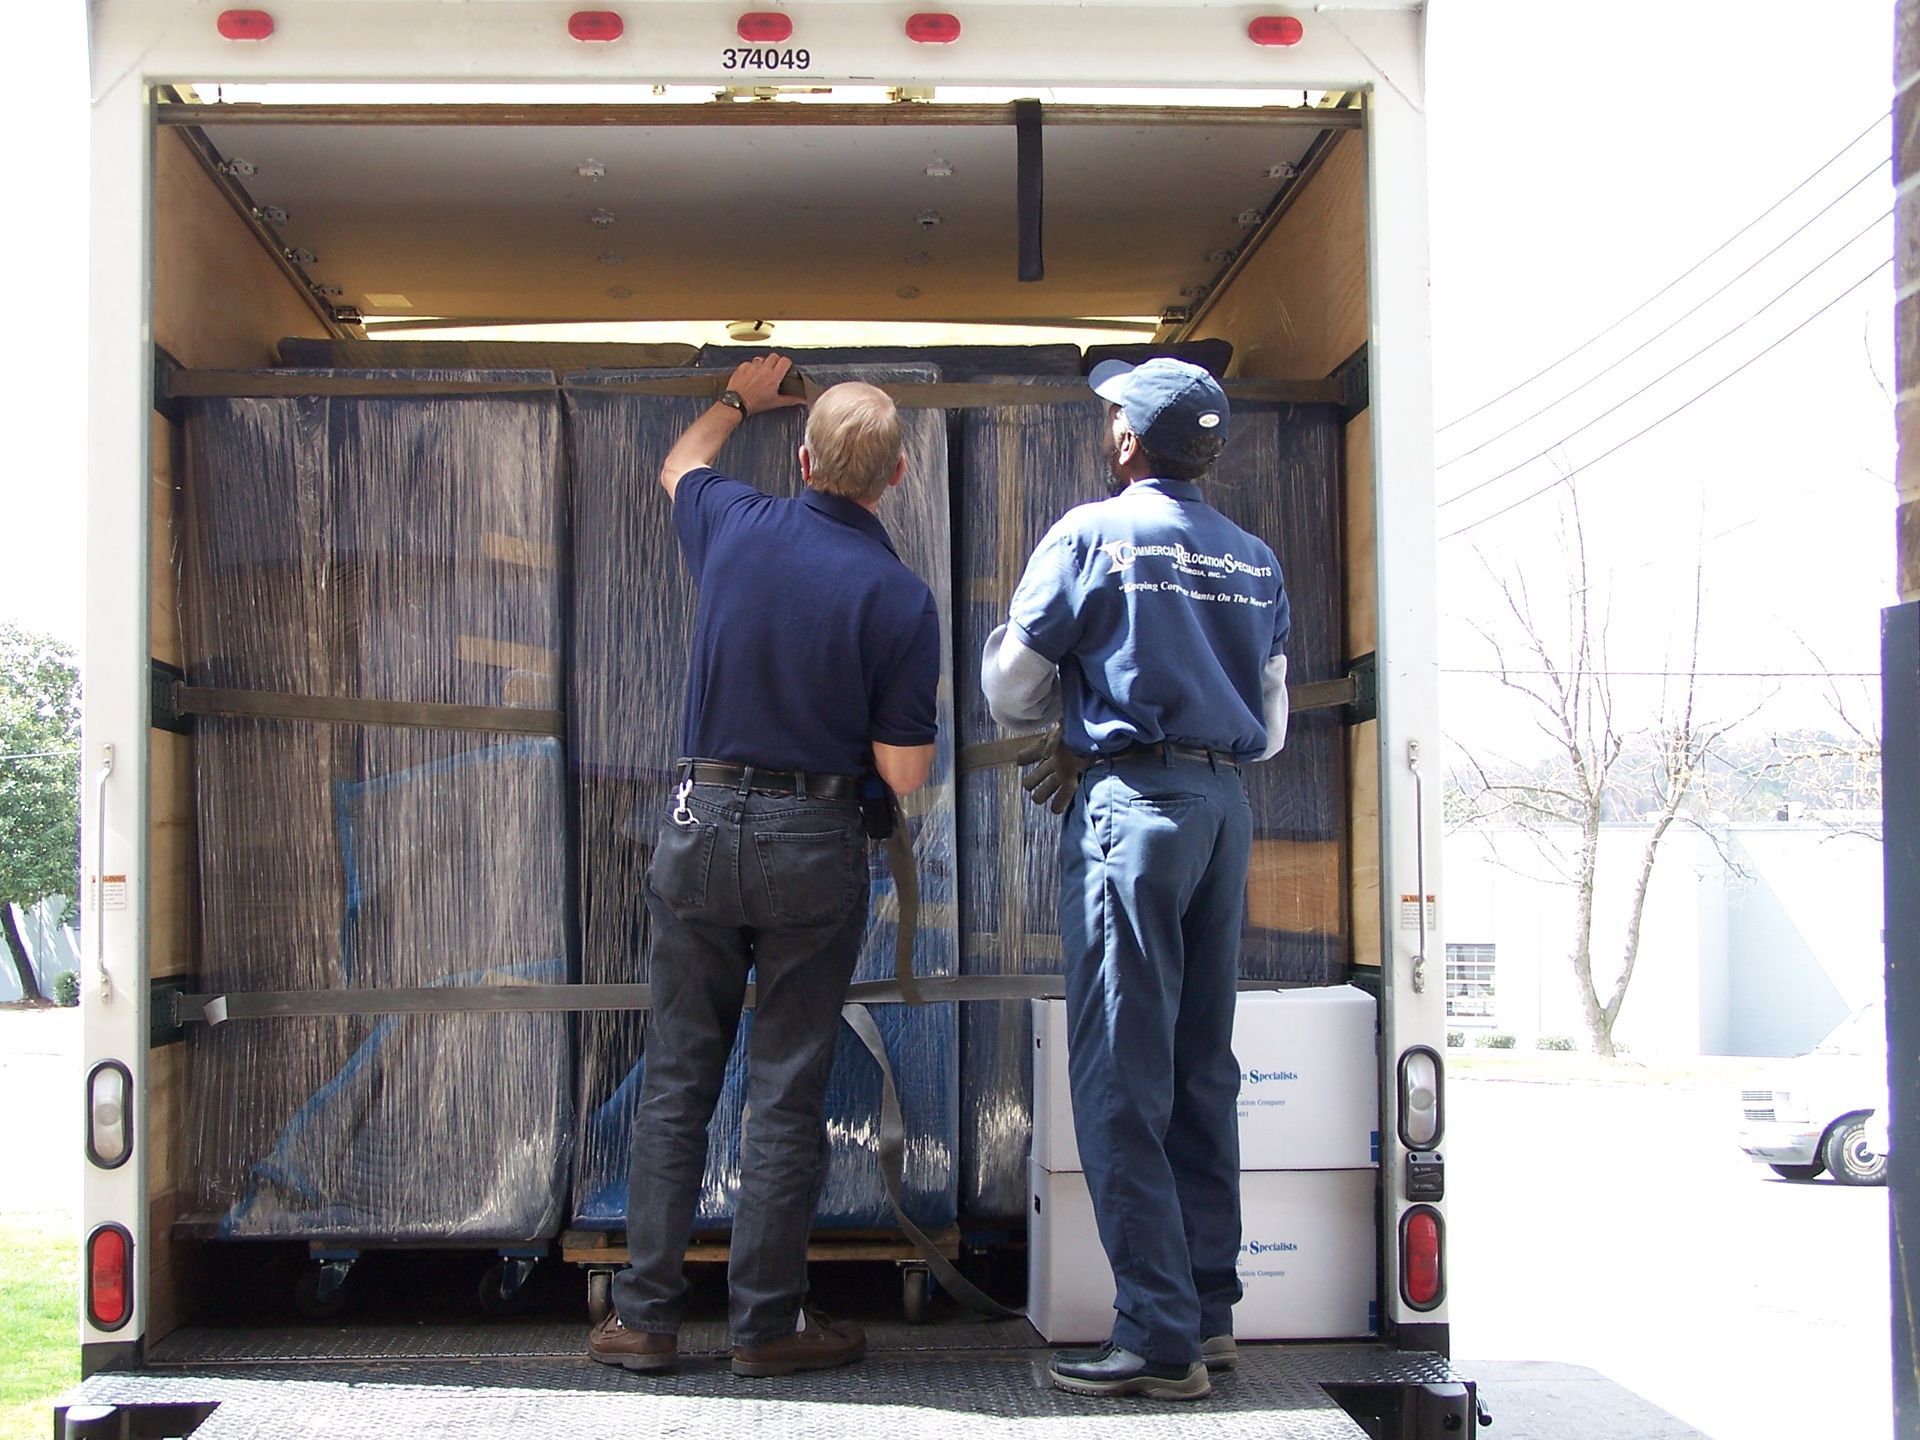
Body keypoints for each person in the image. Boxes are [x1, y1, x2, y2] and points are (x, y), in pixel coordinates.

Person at [589, 354, 940, 1379]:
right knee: (783, 1092)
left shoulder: (735, 523)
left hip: (697, 826)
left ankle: (647, 1318)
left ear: (800, 459)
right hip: (812, 846)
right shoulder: (899, 597)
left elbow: (678, 464)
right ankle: (766, 1327)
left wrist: (738, 398)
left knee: (678, 1079)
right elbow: (905, 774)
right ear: (899, 478)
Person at [982, 357, 1291, 1401]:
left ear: (1127, 443)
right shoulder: (1255, 559)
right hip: (1223, 813)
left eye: (1113, 414)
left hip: (1135, 814)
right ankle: (1206, 1317)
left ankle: (1155, 1340)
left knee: (1122, 1073)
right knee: (1204, 1071)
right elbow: (1276, 721)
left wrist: (1060, 724)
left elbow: (1011, 680)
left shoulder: (1089, 535)